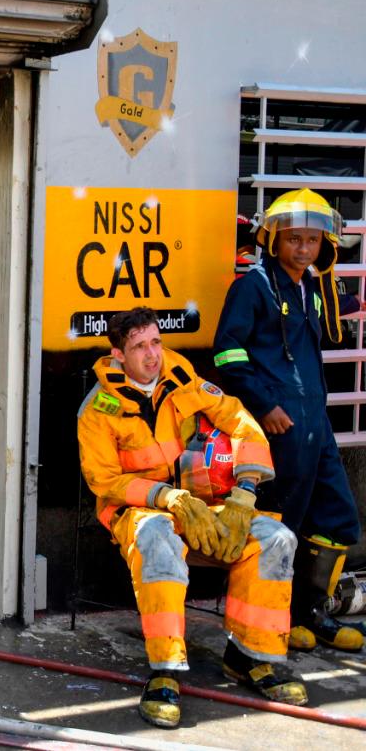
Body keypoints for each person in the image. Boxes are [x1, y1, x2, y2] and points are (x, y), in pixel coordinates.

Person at [77, 307, 306, 729]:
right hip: (139, 512)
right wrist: (166, 496)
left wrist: (244, 493)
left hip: (205, 505)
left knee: (275, 539)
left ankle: (250, 658)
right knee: (157, 539)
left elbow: (241, 422)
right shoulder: (97, 409)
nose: (152, 356)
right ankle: (165, 672)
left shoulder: (183, 379)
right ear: (118, 354)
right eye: (139, 347)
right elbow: (104, 481)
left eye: (156, 343)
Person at [214, 187, 365, 653]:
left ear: (325, 246)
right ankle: (278, 620)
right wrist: (263, 405)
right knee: (284, 526)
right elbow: (227, 353)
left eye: (313, 241)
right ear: (274, 239)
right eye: (295, 239)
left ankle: (310, 613)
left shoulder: (312, 288)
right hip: (279, 429)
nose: (304, 248)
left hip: (314, 423)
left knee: (339, 517)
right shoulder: (252, 286)